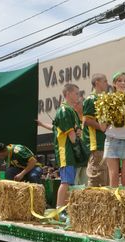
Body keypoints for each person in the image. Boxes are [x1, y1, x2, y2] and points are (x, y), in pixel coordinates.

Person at [52, 83, 81, 215]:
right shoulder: (64, 110)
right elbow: (71, 134)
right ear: (68, 94)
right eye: (76, 93)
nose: (78, 96)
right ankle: (59, 210)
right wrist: (78, 147)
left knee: (70, 182)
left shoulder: (72, 111)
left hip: (71, 152)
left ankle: (65, 209)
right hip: (66, 151)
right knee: (66, 181)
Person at [83, 73, 109, 187]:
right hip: (96, 142)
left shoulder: (104, 98)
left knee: (104, 174)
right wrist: (102, 127)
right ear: (97, 82)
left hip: (105, 141)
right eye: (104, 81)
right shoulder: (91, 99)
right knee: (96, 173)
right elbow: (86, 120)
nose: (107, 83)